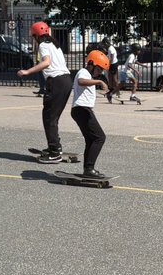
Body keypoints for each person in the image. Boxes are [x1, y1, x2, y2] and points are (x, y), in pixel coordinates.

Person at [17, 22, 72, 163]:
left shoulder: (43, 45)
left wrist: (27, 71)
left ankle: (54, 152)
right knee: (53, 117)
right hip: (66, 80)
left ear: (36, 35)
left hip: (56, 82)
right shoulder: (55, 44)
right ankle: (55, 146)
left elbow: (46, 62)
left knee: (49, 117)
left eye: (33, 36)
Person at [72, 50, 109, 178]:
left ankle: (88, 169)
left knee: (91, 139)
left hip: (82, 110)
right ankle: (89, 168)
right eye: (99, 69)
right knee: (100, 138)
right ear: (91, 64)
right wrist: (99, 82)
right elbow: (81, 81)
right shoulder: (84, 72)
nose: (100, 73)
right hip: (82, 110)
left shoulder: (89, 75)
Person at [102, 38, 119, 103]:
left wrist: (108, 65)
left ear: (106, 43)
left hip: (113, 64)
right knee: (112, 78)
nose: (104, 45)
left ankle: (113, 91)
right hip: (114, 64)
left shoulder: (110, 48)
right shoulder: (111, 48)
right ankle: (115, 91)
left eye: (104, 44)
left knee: (113, 79)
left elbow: (111, 58)